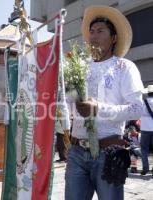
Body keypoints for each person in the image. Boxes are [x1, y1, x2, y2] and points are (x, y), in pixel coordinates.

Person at [65, 6, 144, 200]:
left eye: (100, 31)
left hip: (108, 153)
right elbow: (67, 105)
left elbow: (137, 108)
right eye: (92, 32)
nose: (94, 36)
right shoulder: (78, 67)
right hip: (76, 153)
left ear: (114, 38)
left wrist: (99, 109)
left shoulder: (124, 67)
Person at [140, 85, 153, 175]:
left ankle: (145, 168)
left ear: (147, 92)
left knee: (144, 149)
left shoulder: (143, 102)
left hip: (144, 128)